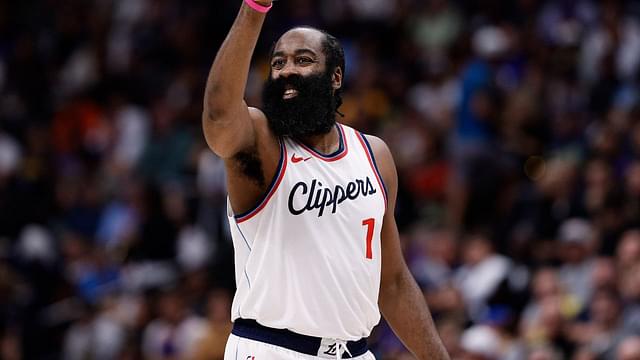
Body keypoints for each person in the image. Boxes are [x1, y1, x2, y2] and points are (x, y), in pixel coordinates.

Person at [202, 0, 450, 359]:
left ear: (335, 77)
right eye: (277, 63)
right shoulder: (261, 142)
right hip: (272, 348)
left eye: (302, 60)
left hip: (355, 352)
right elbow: (219, 114)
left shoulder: (374, 154)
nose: (287, 70)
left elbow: (392, 283)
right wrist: (255, 8)